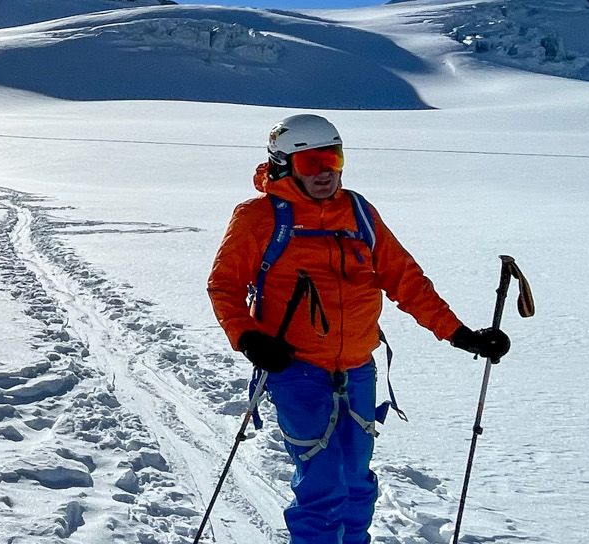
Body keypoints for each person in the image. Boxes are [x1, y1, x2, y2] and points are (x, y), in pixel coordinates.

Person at [207, 113, 511, 544]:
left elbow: (405, 280)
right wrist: (250, 339)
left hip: (358, 370)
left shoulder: (359, 212)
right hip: (295, 369)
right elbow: (224, 285)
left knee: (356, 480)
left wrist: (460, 334)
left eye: (333, 158)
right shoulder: (259, 217)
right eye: (311, 163)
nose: (325, 172)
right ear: (283, 164)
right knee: (323, 482)